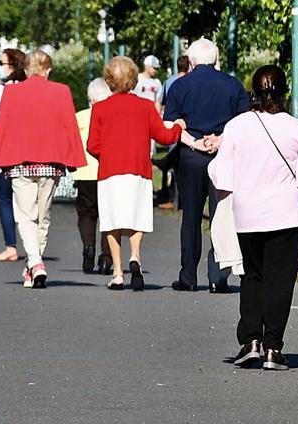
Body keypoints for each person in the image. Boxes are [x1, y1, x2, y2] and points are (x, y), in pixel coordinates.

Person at [208, 65, 298, 371]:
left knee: (252, 277)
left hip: (247, 214)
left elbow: (221, 173)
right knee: (281, 281)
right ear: (284, 92)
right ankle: (273, 348)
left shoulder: (237, 126)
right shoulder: (297, 128)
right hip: (286, 215)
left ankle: (250, 340)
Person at [0, 50, 85, 288]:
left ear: (27, 69)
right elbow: (69, 126)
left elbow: (3, 126)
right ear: (48, 69)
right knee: (43, 217)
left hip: (19, 162)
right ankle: (34, 263)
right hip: (51, 163)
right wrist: (75, 161)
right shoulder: (62, 91)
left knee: (25, 216)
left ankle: (34, 263)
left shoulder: (11, 92)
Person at [87, 57, 184, 290]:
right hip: (139, 169)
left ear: (109, 81)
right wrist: (179, 126)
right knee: (137, 215)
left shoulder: (100, 109)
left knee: (112, 220)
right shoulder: (144, 107)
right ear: (133, 80)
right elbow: (164, 136)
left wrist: (107, 154)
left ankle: (118, 272)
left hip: (110, 171)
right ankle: (136, 255)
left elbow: (92, 145)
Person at [163, 38, 250, 293]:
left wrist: (197, 142)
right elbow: (244, 124)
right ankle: (217, 277)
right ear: (216, 59)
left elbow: (172, 125)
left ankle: (188, 276)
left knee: (190, 217)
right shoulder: (233, 85)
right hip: (223, 156)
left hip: (190, 156)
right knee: (221, 216)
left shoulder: (179, 86)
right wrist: (220, 140)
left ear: (190, 61)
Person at [0, 48, 27, 263]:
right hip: (27, 150)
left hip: (4, 151)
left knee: (4, 199)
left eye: (4, 63)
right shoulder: (29, 90)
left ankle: (10, 245)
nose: (1, 67)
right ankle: (31, 244)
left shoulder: (0, 92)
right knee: (28, 200)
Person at [73, 78, 113, 274]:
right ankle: (106, 257)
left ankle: (88, 245)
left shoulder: (79, 117)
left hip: (85, 172)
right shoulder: (113, 116)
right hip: (109, 172)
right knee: (108, 216)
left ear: (90, 99)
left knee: (86, 213)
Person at [154, 55, 191, 210]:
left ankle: (169, 196)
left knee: (172, 160)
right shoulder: (191, 82)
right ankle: (181, 199)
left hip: (171, 123)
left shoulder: (169, 82)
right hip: (186, 125)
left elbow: (160, 102)